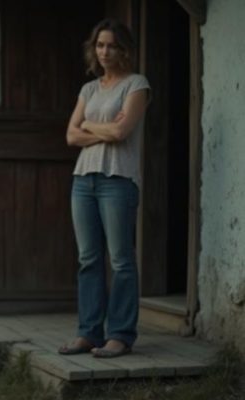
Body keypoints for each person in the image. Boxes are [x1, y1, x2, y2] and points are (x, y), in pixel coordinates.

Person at [59, 19, 150, 359]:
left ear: (124, 49)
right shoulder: (89, 89)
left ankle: (120, 336)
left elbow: (121, 132)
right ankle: (88, 333)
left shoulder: (137, 84)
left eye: (112, 45)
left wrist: (88, 125)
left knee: (121, 260)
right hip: (84, 179)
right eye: (100, 45)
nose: (105, 52)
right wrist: (102, 129)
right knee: (88, 259)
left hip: (118, 180)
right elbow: (71, 136)